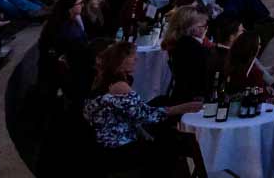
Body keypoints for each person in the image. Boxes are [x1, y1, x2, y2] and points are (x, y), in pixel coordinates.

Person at [82, 43, 205, 174]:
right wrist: (183, 108)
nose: (136, 59)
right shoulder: (119, 86)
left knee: (163, 110)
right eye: (132, 56)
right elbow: (146, 116)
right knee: (174, 147)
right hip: (119, 148)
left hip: (103, 144)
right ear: (120, 61)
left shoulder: (102, 80)